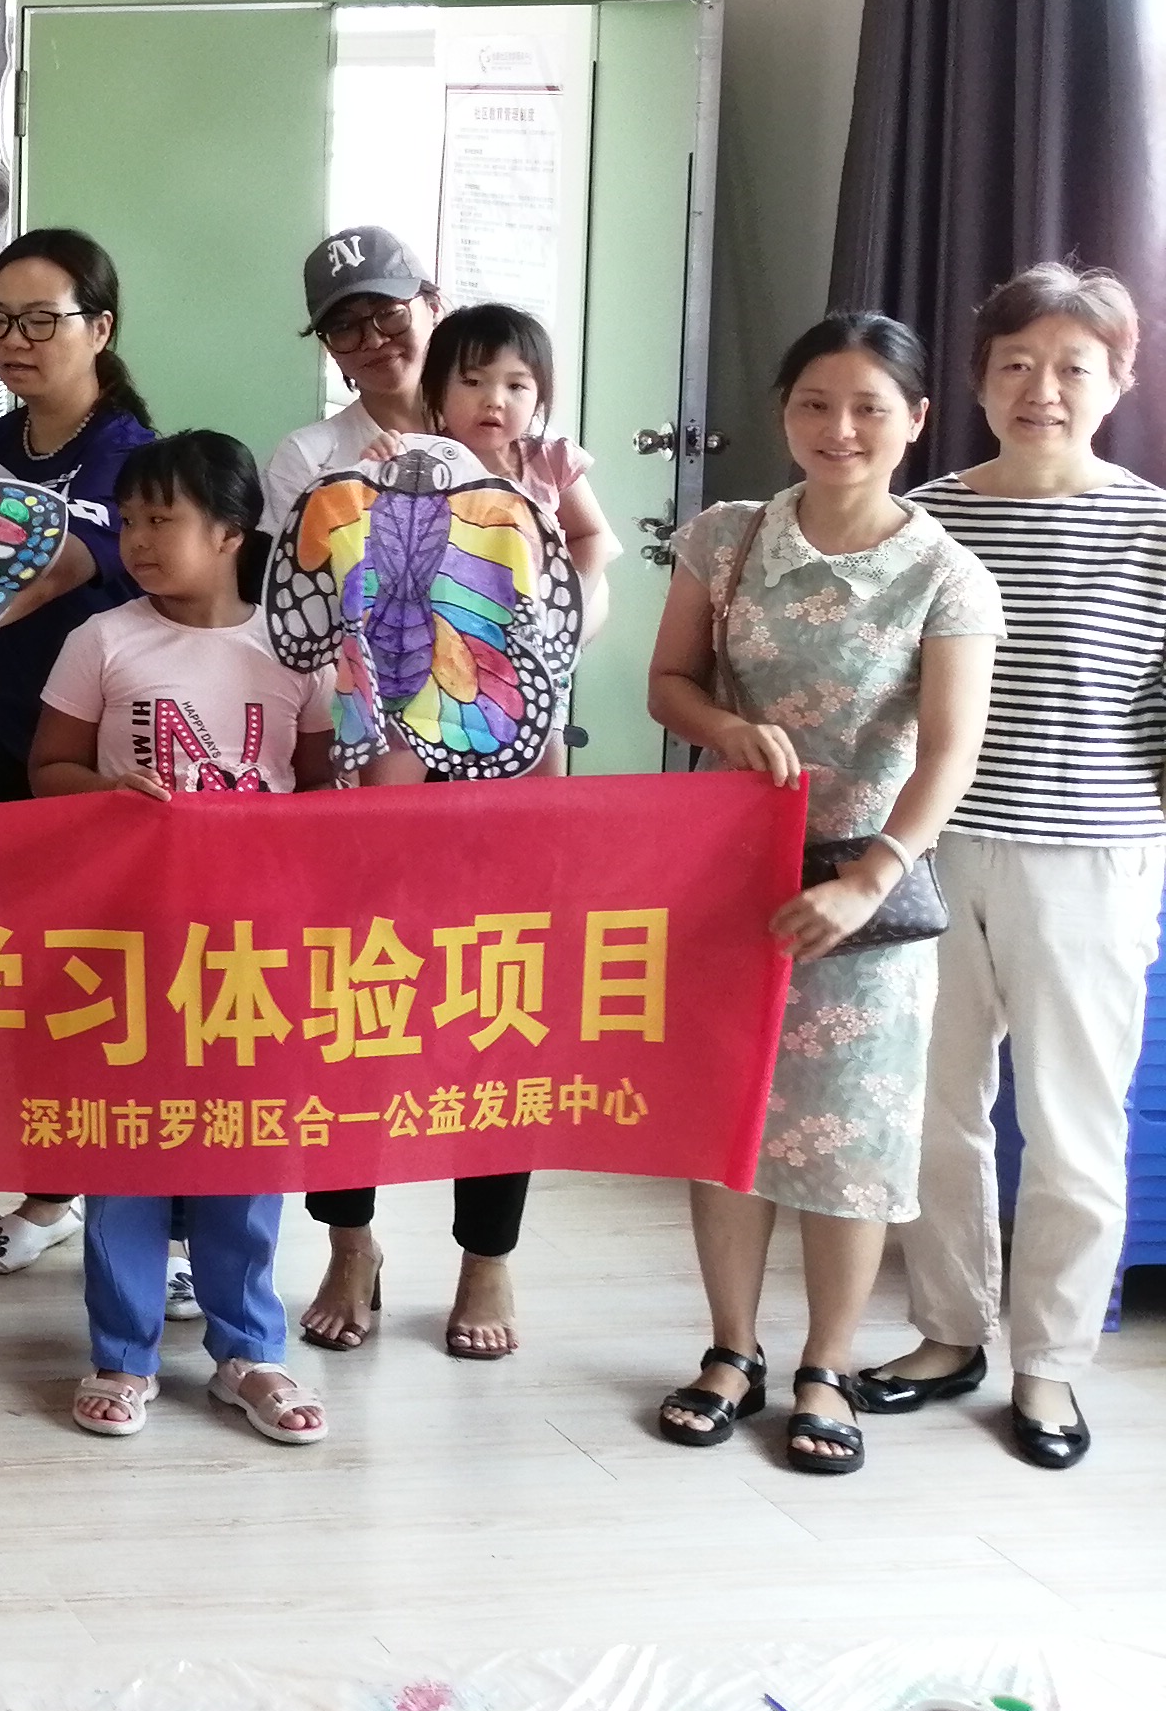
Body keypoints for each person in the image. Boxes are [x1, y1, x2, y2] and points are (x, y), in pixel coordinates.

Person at [649, 313, 998, 1478]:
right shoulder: (725, 537)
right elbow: (666, 682)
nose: (836, 428)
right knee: (729, 1122)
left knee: (851, 1138)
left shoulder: (946, 575)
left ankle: (824, 1367)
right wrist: (723, 728)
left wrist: (869, 878)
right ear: (782, 411)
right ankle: (728, 1350)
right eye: (812, 403)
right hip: (728, 874)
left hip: (866, 893)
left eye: (865, 407)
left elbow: (948, 752)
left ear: (914, 421)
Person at [873, 265, 1166, 1470]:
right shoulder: (922, 520)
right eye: (1014, 365)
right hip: (931, 849)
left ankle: (1048, 1365)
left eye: (1071, 368)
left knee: (1072, 1124)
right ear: (977, 380)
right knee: (933, 1111)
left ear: (1117, 383)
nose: (1040, 389)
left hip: (1090, 859)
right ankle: (947, 1333)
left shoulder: (1153, 528)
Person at [30, 431, 375, 1446]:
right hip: (126, 936)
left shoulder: (291, 650)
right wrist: (106, 790)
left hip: (254, 947)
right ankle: (121, 1353)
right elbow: (46, 769)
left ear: (230, 532)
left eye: (161, 519)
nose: (137, 539)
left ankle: (248, 1351)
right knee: (126, 1145)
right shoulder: (102, 640)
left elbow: (318, 793)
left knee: (246, 1142)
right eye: (129, 519)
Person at [298, 302, 617, 1362]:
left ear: (542, 398)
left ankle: (487, 1256)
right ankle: (350, 1244)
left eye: (517, 384)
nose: (495, 401)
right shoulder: (390, 468)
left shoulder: (551, 474)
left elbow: (594, 563)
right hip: (391, 751)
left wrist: (565, 589)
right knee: (355, 1007)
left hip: (511, 765)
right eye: (474, 381)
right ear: (436, 393)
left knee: (498, 1012)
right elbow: (329, 586)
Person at [0, 229, 159, 1287]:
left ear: (100, 327)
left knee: (126, 979)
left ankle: (165, 1222)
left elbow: (61, 564)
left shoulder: (129, 450)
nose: (16, 340)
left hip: (117, 761)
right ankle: (52, 1187)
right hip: (20, 743)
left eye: (42, 320)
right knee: (36, 969)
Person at [260, 226, 443, 535]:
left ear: (434, 307)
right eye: (344, 328)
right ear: (328, 346)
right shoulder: (307, 458)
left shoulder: (497, 427)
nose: (373, 340)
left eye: (390, 312)